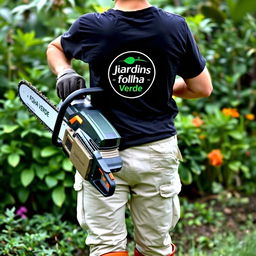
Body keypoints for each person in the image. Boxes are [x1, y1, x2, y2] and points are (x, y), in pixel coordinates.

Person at [46, 0, 213, 255]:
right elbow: (202, 88)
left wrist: (64, 71)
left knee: (106, 247)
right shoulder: (174, 27)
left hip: (101, 152)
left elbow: (55, 48)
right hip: (156, 152)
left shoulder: (93, 26)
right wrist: (166, 87)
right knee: (155, 248)